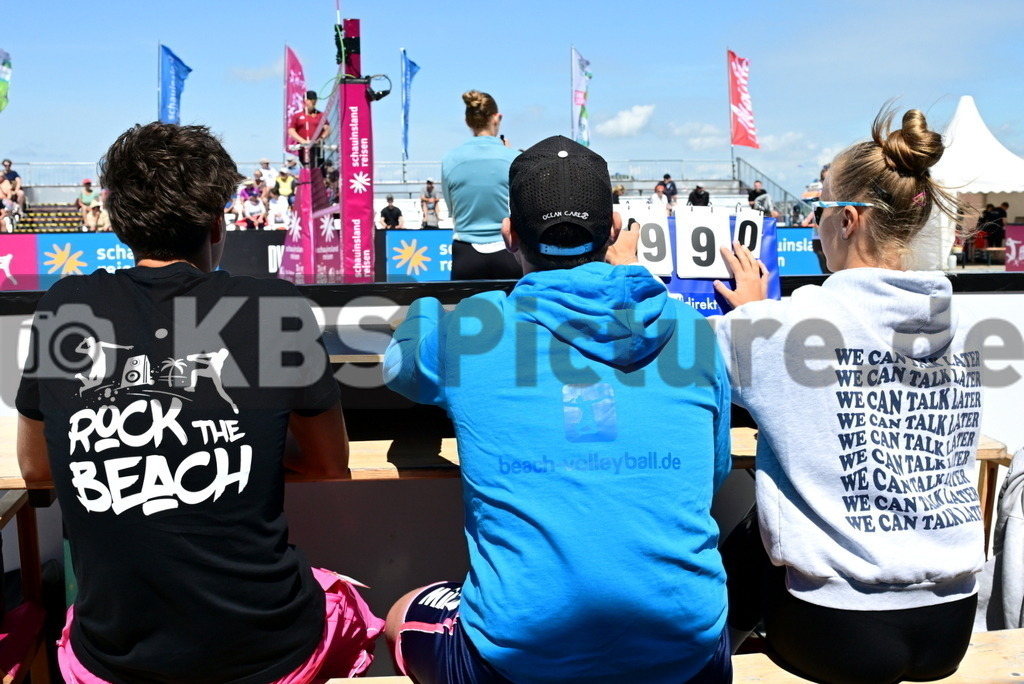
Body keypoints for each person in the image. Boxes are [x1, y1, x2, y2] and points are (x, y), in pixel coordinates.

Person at [15, 121, 383, 684]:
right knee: (357, 605)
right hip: (272, 654)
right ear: (217, 223)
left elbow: (37, 466)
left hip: (112, 663)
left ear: (119, 224)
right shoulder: (275, 309)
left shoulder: (65, 305)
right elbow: (330, 464)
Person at [383, 135, 733, 684]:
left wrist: (424, 307)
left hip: (518, 664)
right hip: (690, 659)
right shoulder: (692, 332)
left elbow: (396, 368)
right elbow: (711, 475)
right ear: (615, 229)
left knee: (402, 613)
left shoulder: (472, 329)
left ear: (510, 235)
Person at [711, 107, 985, 683]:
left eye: (820, 211)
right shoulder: (959, 330)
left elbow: (663, 351)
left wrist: (753, 313)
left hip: (836, 630)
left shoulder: (784, 328)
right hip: (951, 624)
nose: (813, 229)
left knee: (747, 531)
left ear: (851, 220)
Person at [441, 90, 521, 280]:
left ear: (467, 120)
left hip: (466, 254)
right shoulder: (513, 159)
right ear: (496, 118)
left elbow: (451, 209)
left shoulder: (450, 160)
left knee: (466, 310)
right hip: (508, 253)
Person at [288, 90, 330, 167]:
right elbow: (291, 130)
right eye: (312, 100)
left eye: (315, 100)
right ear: (306, 101)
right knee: (305, 168)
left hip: (318, 148)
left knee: (319, 168)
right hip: (304, 149)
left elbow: (327, 129)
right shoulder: (297, 116)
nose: (314, 103)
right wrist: (302, 141)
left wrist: (321, 139)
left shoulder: (321, 115)